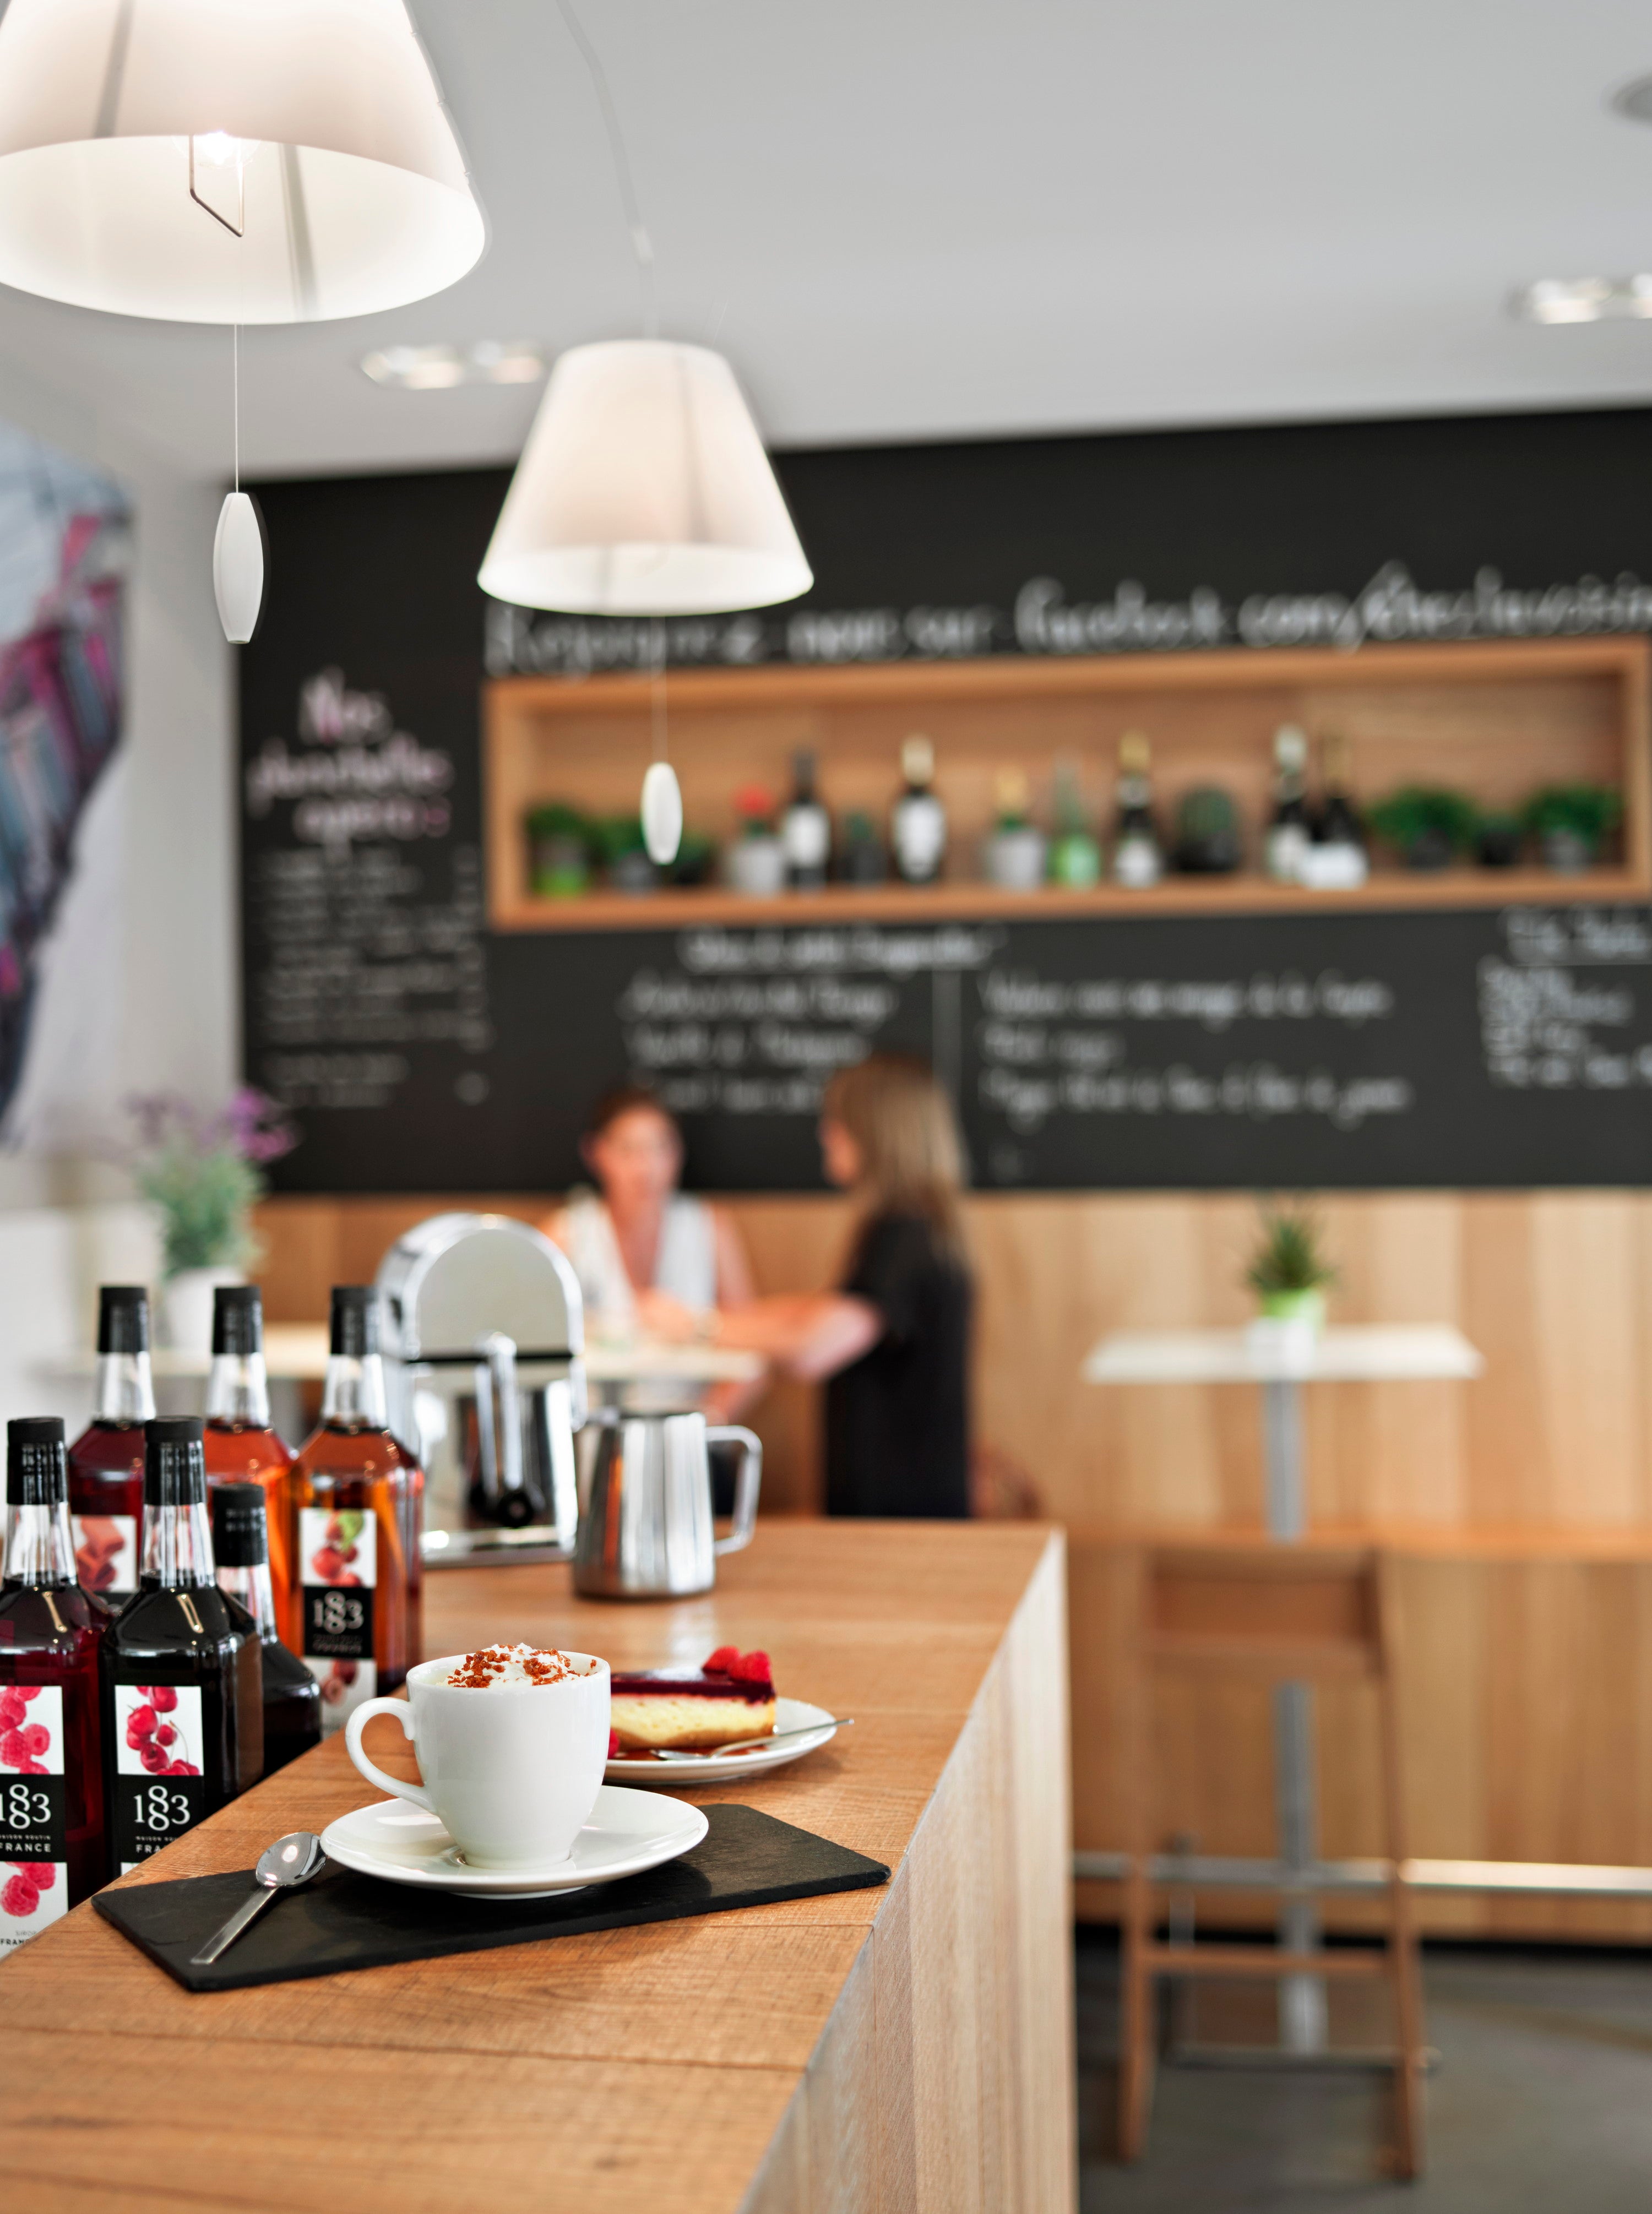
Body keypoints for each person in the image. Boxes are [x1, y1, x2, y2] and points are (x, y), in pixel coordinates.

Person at [654, 1054, 973, 1519]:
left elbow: (814, 1346)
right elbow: (826, 1311)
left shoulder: (903, 1236)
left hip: (903, 1519)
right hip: (902, 1508)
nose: (826, 1134)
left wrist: (695, 1327)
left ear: (874, 1133)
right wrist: (710, 1322)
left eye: (837, 1122)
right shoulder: (916, 1229)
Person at [545, 1085, 758, 1414]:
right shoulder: (565, 1235)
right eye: (628, 1150)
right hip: (593, 1428)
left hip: (688, 1423)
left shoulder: (709, 1227)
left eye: (660, 1148)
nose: (646, 1167)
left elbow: (754, 1350)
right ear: (595, 1153)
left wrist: (703, 1425)